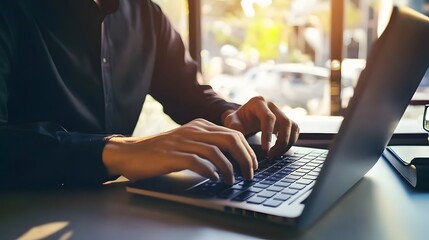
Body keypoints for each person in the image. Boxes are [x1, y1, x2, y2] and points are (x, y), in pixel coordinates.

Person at [0, 0, 299, 189]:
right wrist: (117, 151)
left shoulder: (146, 15)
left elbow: (189, 93)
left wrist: (229, 115)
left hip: (110, 211)